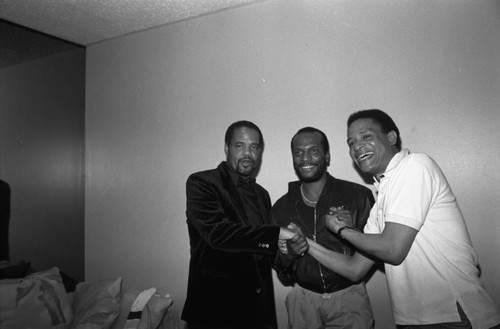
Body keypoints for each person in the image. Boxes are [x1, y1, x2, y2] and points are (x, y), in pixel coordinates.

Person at [307, 109, 500, 328]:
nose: (356, 146)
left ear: (391, 137)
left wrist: (342, 230)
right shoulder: (383, 195)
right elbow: (355, 269)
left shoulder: (415, 166)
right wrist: (306, 244)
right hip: (414, 320)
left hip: (453, 315)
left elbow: (393, 249)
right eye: (351, 143)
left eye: (366, 137)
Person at [182, 120, 308, 329]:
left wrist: (289, 254)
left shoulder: (262, 195)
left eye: (254, 147)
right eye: (239, 146)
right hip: (214, 313)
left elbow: (266, 252)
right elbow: (219, 234)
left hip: (258, 313)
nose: (247, 153)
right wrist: (277, 233)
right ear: (226, 148)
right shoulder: (202, 183)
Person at [271, 127, 376, 329]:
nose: (305, 158)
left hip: (349, 298)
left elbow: (377, 255)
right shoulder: (280, 208)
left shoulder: (358, 196)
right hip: (302, 300)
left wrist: (351, 232)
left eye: (314, 150)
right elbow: (282, 272)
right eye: (298, 152)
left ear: (327, 156)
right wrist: (289, 255)